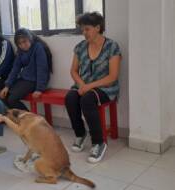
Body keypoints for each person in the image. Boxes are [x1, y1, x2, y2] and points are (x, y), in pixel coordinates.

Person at [65, 12, 122, 163]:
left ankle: (99, 142)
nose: (84, 33)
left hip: (105, 88)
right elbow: (73, 71)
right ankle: (80, 134)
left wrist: (89, 86)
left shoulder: (112, 46)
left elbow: (113, 76)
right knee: (70, 97)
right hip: (84, 86)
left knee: (87, 99)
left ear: (98, 28)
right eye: (82, 29)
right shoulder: (80, 47)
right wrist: (82, 85)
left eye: (87, 29)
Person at [0, 28, 52, 110]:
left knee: (12, 100)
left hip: (34, 81)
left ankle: (29, 120)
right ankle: (19, 120)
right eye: (19, 43)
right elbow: (15, 69)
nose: (23, 45)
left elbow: (42, 69)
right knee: (4, 97)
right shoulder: (20, 51)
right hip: (24, 79)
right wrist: (7, 86)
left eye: (24, 42)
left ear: (30, 39)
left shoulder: (38, 47)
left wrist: (39, 89)